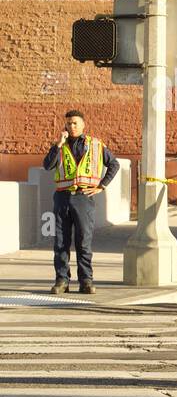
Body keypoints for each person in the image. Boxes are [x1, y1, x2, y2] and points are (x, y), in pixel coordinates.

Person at [43, 109, 119, 295]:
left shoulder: (95, 145)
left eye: (75, 123)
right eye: (69, 123)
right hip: (62, 198)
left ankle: (86, 280)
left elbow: (114, 164)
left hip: (84, 198)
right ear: (65, 126)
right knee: (60, 241)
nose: (72, 126)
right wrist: (58, 145)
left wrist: (102, 186)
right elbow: (47, 165)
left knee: (83, 242)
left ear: (83, 124)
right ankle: (62, 280)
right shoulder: (60, 146)